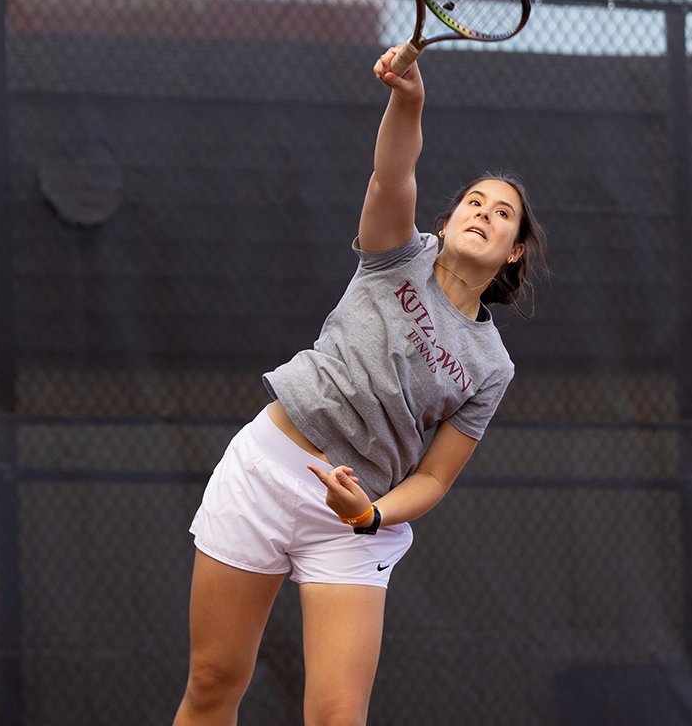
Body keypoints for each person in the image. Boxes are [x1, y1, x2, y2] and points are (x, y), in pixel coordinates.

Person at [173, 43, 547, 726]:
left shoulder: (492, 365)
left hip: (354, 518)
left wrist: (369, 515)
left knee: (338, 718)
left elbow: (434, 479)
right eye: (473, 200)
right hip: (264, 471)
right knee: (212, 683)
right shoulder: (397, 256)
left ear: (514, 249)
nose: (484, 213)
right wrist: (409, 99)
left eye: (502, 215)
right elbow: (391, 175)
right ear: (445, 220)